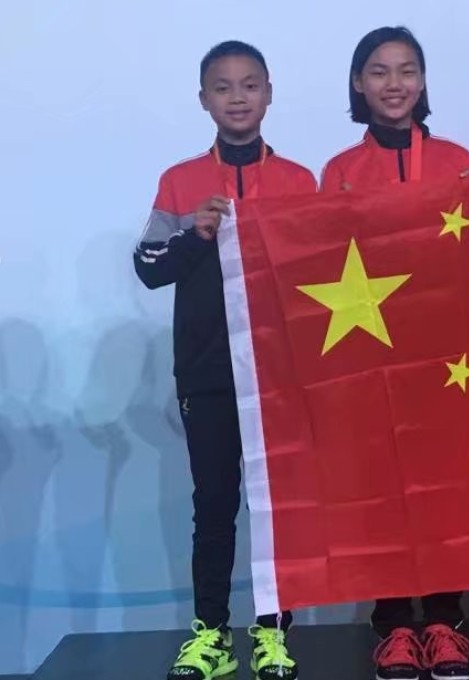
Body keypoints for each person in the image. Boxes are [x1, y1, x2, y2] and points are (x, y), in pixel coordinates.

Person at [133, 40, 316, 680]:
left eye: (249, 85)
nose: (237, 98)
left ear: (269, 93)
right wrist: (196, 233)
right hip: (208, 374)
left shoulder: (299, 181)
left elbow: (316, 278)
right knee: (213, 504)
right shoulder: (181, 180)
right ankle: (210, 632)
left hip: (277, 376)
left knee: (275, 510)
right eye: (223, 87)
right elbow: (148, 268)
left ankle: (273, 632)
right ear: (204, 98)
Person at [319, 26, 469, 680]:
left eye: (406, 70)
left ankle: (443, 621)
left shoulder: (460, 159)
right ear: (359, 83)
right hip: (370, 354)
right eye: (379, 71)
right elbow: (318, 260)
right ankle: (392, 626)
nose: (394, 84)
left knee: (447, 485)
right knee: (383, 489)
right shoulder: (339, 171)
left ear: (423, 80)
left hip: (447, 355)